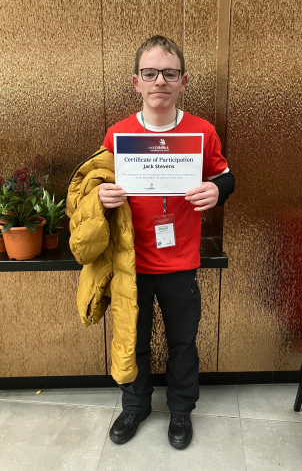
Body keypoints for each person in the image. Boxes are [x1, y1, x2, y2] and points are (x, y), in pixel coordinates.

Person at [99, 35, 234, 449]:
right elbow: (97, 184)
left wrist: (218, 191)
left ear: (183, 81)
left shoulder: (202, 131)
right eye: (150, 73)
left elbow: (224, 176)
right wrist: (101, 197)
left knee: (182, 343)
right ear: (136, 82)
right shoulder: (118, 134)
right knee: (133, 339)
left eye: (169, 73)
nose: (160, 80)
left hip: (181, 261)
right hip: (130, 263)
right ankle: (135, 406)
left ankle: (180, 411)